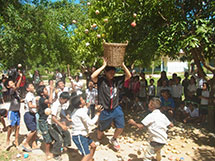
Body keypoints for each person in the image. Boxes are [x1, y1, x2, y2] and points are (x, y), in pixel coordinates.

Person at [91, 57, 131, 150]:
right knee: (101, 131)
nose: (113, 74)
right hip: (104, 109)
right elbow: (93, 76)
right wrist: (103, 66)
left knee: (121, 126)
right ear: (105, 72)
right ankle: (99, 137)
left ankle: (114, 139)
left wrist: (123, 65)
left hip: (116, 108)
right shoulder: (101, 80)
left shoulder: (117, 80)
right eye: (110, 73)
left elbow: (129, 76)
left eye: (114, 73)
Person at [70, 94, 102, 161]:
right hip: (79, 135)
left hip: (83, 134)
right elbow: (91, 123)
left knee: (93, 146)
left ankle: (89, 159)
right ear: (80, 104)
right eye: (82, 100)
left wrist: (87, 105)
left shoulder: (77, 110)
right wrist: (97, 114)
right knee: (86, 154)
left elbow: (85, 109)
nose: (84, 100)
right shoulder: (80, 112)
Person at [47, 92, 71, 159]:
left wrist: (66, 118)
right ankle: (56, 154)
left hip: (56, 123)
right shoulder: (56, 105)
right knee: (59, 139)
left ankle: (65, 147)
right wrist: (62, 125)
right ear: (61, 98)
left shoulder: (60, 104)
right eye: (65, 100)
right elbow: (53, 118)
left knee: (66, 133)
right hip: (51, 125)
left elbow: (59, 113)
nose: (66, 102)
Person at [4, 75, 22, 147]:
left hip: (17, 111)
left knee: (17, 127)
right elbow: (17, 86)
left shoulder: (16, 91)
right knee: (11, 127)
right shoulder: (11, 91)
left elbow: (18, 99)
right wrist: (20, 78)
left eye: (12, 82)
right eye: (11, 83)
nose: (13, 84)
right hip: (12, 111)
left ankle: (16, 140)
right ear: (8, 86)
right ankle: (8, 138)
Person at [37, 85, 54, 159]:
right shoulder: (41, 99)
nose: (47, 91)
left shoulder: (45, 98)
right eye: (45, 90)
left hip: (46, 120)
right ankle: (47, 153)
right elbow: (50, 101)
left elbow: (51, 100)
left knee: (50, 135)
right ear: (41, 93)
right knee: (47, 137)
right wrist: (51, 90)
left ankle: (50, 150)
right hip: (43, 121)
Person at [22, 83, 38, 152]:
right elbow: (30, 105)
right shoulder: (29, 95)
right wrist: (38, 106)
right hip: (29, 114)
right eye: (31, 86)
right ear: (27, 89)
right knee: (33, 130)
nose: (33, 87)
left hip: (32, 114)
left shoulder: (32, 95)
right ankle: (26, 143)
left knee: (35, 130)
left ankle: (34, 144)